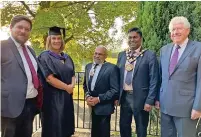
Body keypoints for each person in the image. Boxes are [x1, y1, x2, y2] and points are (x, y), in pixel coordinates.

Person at [156, 16, 201, 137]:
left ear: (188, 30)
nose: (175, 32)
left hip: (186, 108)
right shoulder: (164, 50)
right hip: (165, 106)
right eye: (173, 29)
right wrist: (157, 98)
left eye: (179, 28)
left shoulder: (198, 49)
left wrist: (198, 107)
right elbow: (161, 77)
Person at [1, 15, 43, 137]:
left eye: (27, 29)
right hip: (9, 106)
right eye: (20, 27)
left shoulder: (30, 50)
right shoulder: (2, 46)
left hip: (30, 105)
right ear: (11, 27)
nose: (23, 31)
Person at [117, 27, 159, 137]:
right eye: (130, 37)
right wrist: (117, 96)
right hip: (125, 97)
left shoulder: (149, 55)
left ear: (140, 38)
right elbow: (117, 77)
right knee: (124, 126)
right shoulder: (122, 55)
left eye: (135, 37)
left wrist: (150, 100)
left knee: (141, 128)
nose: (132, 40)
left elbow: (154, 79)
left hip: (141, 98)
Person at [38, 26, 75, 137]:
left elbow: (72, 73)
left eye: (59, 38)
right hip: (52, 100)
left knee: (65, 127)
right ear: (49, 40)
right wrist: (67, 87)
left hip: (67, 98)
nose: (57, 41)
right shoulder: (44, 57)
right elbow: (49, 78)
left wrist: (72, 85)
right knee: (54, 129)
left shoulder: (67, 57)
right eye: (54, 38)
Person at [83, 46, 120, 137]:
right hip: (92, 106)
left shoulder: (112, 68)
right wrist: (87, 96)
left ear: (105, 56)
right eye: (95, 53)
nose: (97, 56)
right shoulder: (88, 67)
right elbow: (85, 85)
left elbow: (114, 90)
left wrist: (98, 99)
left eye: (100, 54)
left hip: (104, 106)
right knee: (94, 133)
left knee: (103, 133)